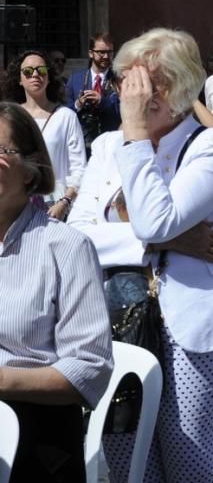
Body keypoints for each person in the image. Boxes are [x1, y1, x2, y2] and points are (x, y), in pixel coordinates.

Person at [67, 28, 213, 482]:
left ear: (172, 88)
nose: (128, 94)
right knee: (128, 461)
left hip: (194, 332)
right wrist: (167, 242)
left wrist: (133, 137)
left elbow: (153, 220)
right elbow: (77, 237)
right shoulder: (109, 146)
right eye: (124, 83)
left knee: (187, 464)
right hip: (118, 323)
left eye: (139, 84)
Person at [0, 102, 112, 483]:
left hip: (36, 438)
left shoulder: (65, 247)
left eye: (1, 151)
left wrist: (1, 379)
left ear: (31, 170)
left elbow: (90, 368)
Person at [3, 50, 86, 220]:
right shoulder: (10, 118)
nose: (35, 75)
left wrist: (64, 202)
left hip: (55, 208)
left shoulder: (66, 117)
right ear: (19, 79)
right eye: (28, 71)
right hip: (17, 207)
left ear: (48, 76)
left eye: (41, 70)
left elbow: (79, 169)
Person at [65, 32, 121, 152]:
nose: (106, 56)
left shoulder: (119, 79)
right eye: (101, 52)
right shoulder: (75, 79)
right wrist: (78, 104)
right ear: (91, 53)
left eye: (109, 52)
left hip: (110, 146)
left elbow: (124, 112)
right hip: (81, 145)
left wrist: (102, 101)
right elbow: (64, 112)